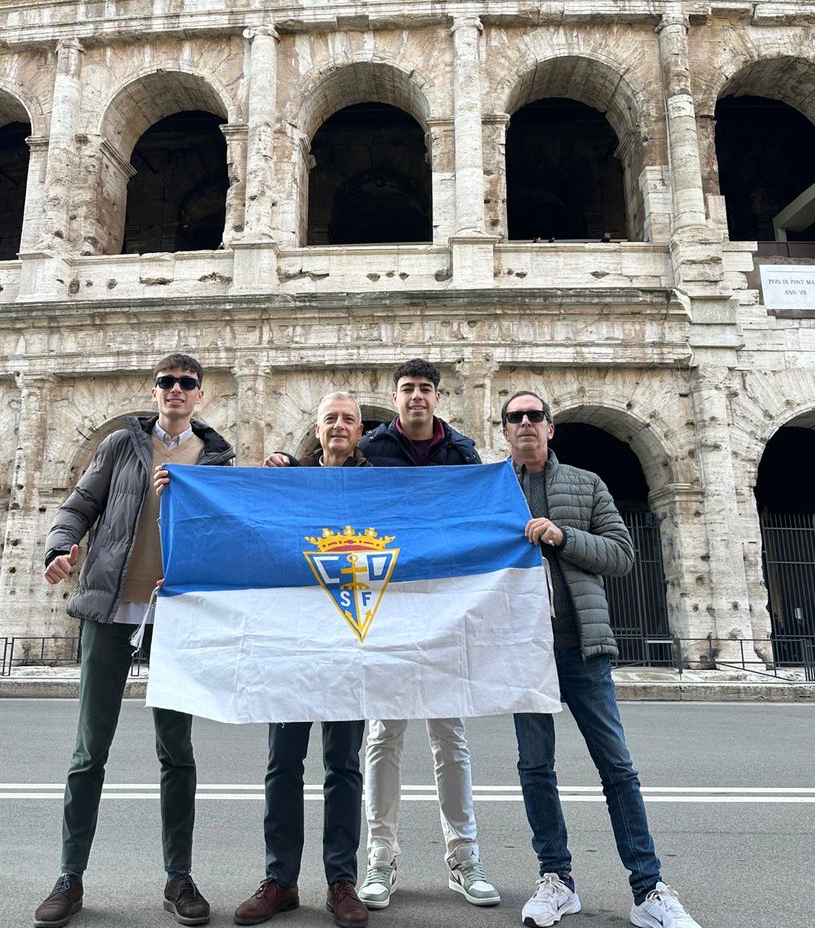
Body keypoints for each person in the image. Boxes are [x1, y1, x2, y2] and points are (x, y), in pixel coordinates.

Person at [34, 354, 235, 928]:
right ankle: (70, 876)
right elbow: (79, 506)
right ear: (156, 392)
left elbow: (230, 528)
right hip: (109, 607)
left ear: (201, 395)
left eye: (187, 383)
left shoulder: (216, 458)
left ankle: (179, 877)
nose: (176, 390)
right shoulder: (122, 447)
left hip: (175, 616)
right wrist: (59, 548)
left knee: (177, 751)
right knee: (88, 751)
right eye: (167, 382)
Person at [501, 390, 701, 928]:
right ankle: (556, 880)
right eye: (514, 417)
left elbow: (621, 556)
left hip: (584, 648)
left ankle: (649, 888)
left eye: (534, 416)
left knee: (618, 770)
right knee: (535, 770)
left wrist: (563, 537)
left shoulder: (587, 484)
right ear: (504, 432)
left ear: (550, 428)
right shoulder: (492, 490)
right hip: (526, 654)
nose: (525, 423)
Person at [356, 359, 500, 910]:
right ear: (395, 398)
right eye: (408, 389)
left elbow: (483, 514)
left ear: (438, 398)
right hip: (388, 602)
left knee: (450, 736)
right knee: (383, 734)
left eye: (425, 389)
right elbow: (328, 490)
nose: (417, 397)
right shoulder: (372, 450)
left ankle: (464, 858)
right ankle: (381, 859)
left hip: (443, 604)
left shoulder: (462, 452)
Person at [234, 393, 370, 928]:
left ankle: (342, 880)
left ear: (361, 432)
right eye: (330, 419)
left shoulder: (379, 482)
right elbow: (243, 520)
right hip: (293, 637)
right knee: (282, 763)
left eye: (348, 420)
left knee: (344, 764)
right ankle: (281, 880)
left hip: (351, 634)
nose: (339, 426)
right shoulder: (287, 481)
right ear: (316, 431)